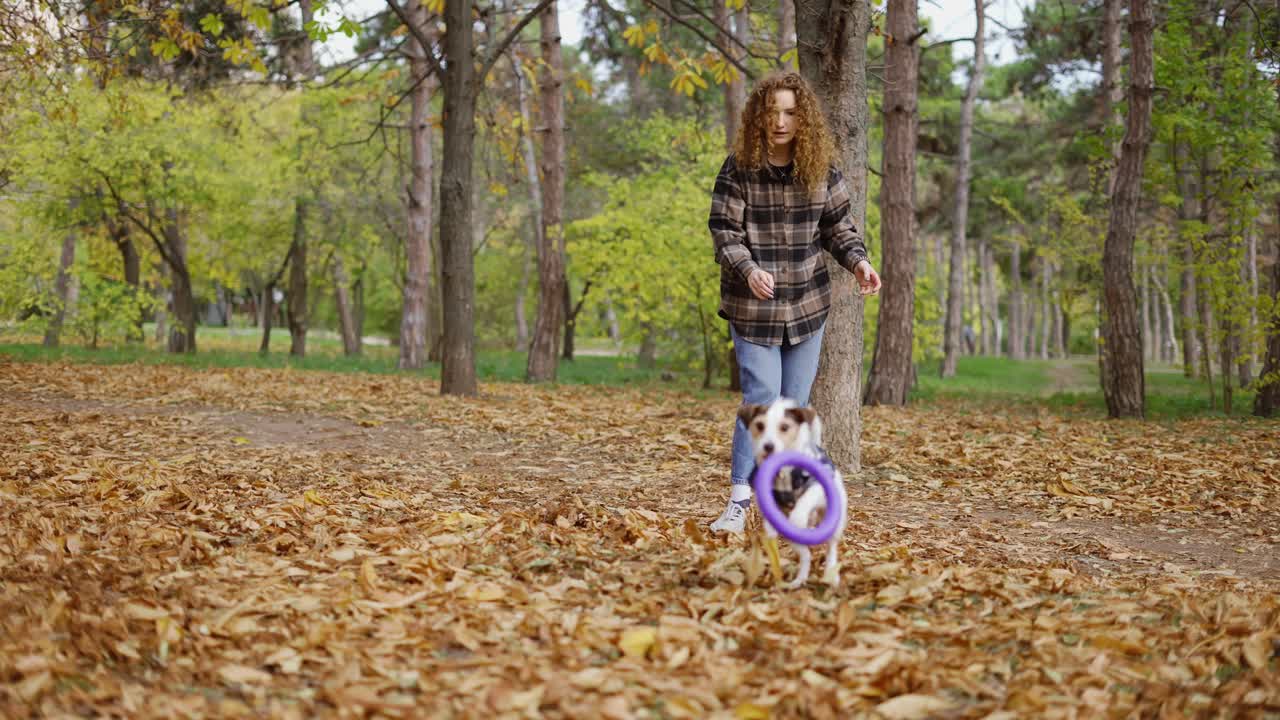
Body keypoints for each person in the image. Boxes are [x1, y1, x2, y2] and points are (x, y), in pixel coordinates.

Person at [708, 71, 882, 534]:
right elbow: (724, 231)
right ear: (758, 118)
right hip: (753, 309)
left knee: (792, 407)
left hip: (807, 307)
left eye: (790, 112)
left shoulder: (821, 171)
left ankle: (782, 496)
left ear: (803, 118)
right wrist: (749, 270)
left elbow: (839, 229)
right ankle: (741, 499)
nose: (781, 121)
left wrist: (859, 263)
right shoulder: (737, 169)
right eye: (772, 112)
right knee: (763, 402)